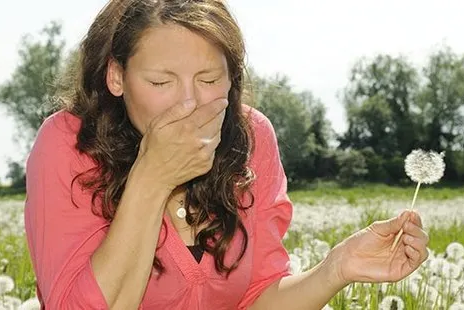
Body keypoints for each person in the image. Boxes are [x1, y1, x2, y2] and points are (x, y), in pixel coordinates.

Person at [23, 0, 430, 309]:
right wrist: (151, 179)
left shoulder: (251, 137)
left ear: (232, 79)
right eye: (161, 82)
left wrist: (335, 269)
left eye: (208, 79)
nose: (188, 102)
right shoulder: (68, 144)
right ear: (116, 76)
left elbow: (258, 297)